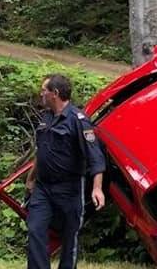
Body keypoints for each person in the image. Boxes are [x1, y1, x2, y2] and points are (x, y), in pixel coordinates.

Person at [25, 74, 106, 269]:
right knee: (35, 229)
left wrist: (97, 188)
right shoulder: (46, 118)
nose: (41, 94)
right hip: (43, 188)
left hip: (69, 189)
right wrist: (31, 178)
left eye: (44, 90)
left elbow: (95, 156)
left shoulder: (78, 120)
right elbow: (41, 151)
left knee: (70, 236)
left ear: (55, 93)